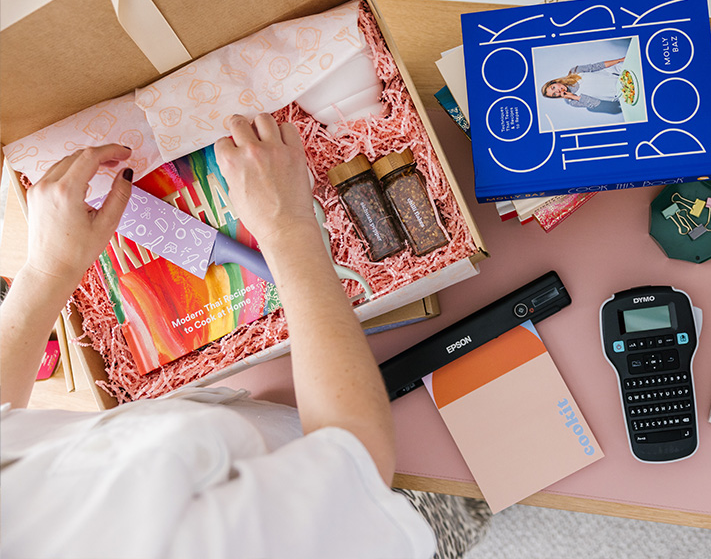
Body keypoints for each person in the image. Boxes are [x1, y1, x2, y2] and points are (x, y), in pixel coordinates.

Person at [0, 114, 488, 558]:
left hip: (268, 410)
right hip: (366, 493)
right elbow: (355, 463)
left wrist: (46, 271)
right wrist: (289, 228)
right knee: (461, 502)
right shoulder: (159, 541)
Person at [541, 56, 626, 114]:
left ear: (555, 82)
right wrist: (573, 97)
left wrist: (619, 60)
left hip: (621, 75)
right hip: (622, 94)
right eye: (554, 94)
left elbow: (598, 66)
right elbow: (596, 103)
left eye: (553, 88)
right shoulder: (573, 102)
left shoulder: (575, 71)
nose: (557, 91)